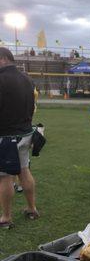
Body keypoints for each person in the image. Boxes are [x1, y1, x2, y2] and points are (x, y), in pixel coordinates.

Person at [0, 48, 39, 229]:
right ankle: (32, 209)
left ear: (2, 59)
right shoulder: (27, 79)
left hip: (5, 136)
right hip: (25, 133)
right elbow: (32, 106)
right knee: (24, 171)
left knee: (5, 177)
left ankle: (6, 218)